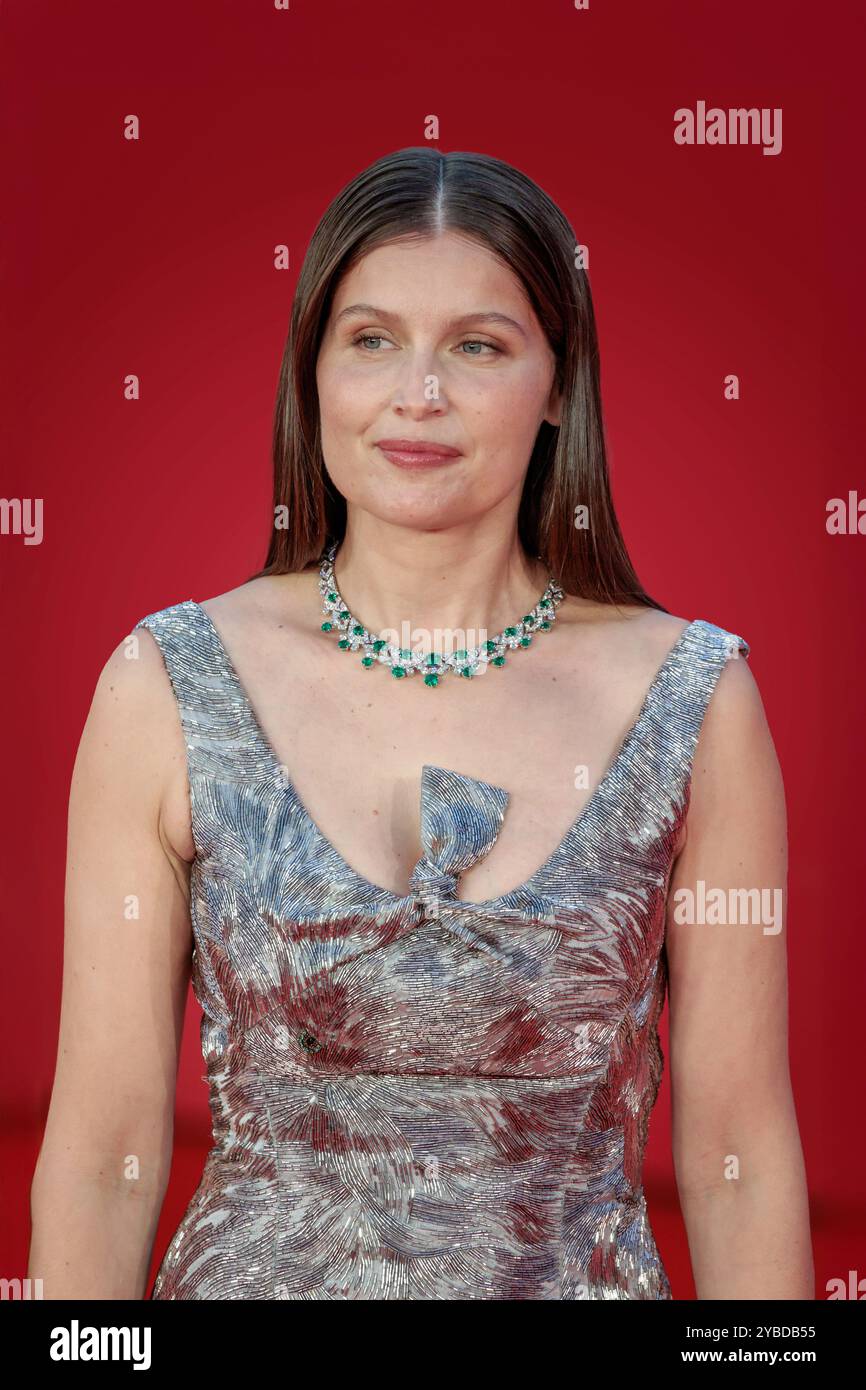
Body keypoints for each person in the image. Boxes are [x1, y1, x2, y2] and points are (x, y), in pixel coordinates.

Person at [29, 147, 812, 1300]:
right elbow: (101, 1159)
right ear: (313, 373)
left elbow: (737, 1164)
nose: (418, 394)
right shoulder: (165, 685)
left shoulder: (693, 702)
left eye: (477, 346)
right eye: (371, 339)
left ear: (557, 385)